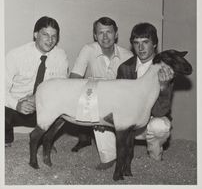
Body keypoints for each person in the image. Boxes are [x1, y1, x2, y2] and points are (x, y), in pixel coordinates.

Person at [70, 17, 133, 169]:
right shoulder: (88, 49)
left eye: (109, 32)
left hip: (118, 100)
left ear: (116, 34)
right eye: (100, 33)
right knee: (96, 113)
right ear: (95, 35)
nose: (105, 37)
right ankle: (109, 157)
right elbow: (74, 78)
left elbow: (132, 89)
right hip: (93, 96)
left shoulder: (128, 56)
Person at [5, 16, 69, 147]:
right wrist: (16, 104)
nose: (50, 40)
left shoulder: (60, 56)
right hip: (15, 106)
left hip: (43, 106)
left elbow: (61, 88)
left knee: (66, 106)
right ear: (35, 34)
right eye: (45, 34)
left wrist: (37, 98)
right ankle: (5, 135)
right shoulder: (15, 55)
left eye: (54, 36)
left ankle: (46, 139)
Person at [117, 22, 174, 161]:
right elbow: (119, 103)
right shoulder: (125, 68)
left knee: (160, 126)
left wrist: (164, 87)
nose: (140, 48)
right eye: (136, 43)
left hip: (151, 120)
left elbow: (160, 112)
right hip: (129, 121)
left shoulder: (165, 69)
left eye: (145, 42)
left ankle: (155, 155)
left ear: (154, 44)